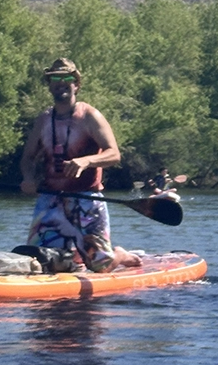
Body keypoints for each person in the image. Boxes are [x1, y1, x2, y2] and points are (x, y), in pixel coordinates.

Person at [20, 58, 140, 272]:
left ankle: (118, 255)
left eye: (67, 78)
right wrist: (28, 178)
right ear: (49, 85)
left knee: (100, 266)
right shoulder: (44, 120)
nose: (61, 82)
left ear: (76, 84)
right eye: (55, 78)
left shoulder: (90, 116)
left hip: (87, 199)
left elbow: (114, 154)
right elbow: (28, 158)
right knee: (39, 261)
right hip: (51, 200)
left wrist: (86, 161)